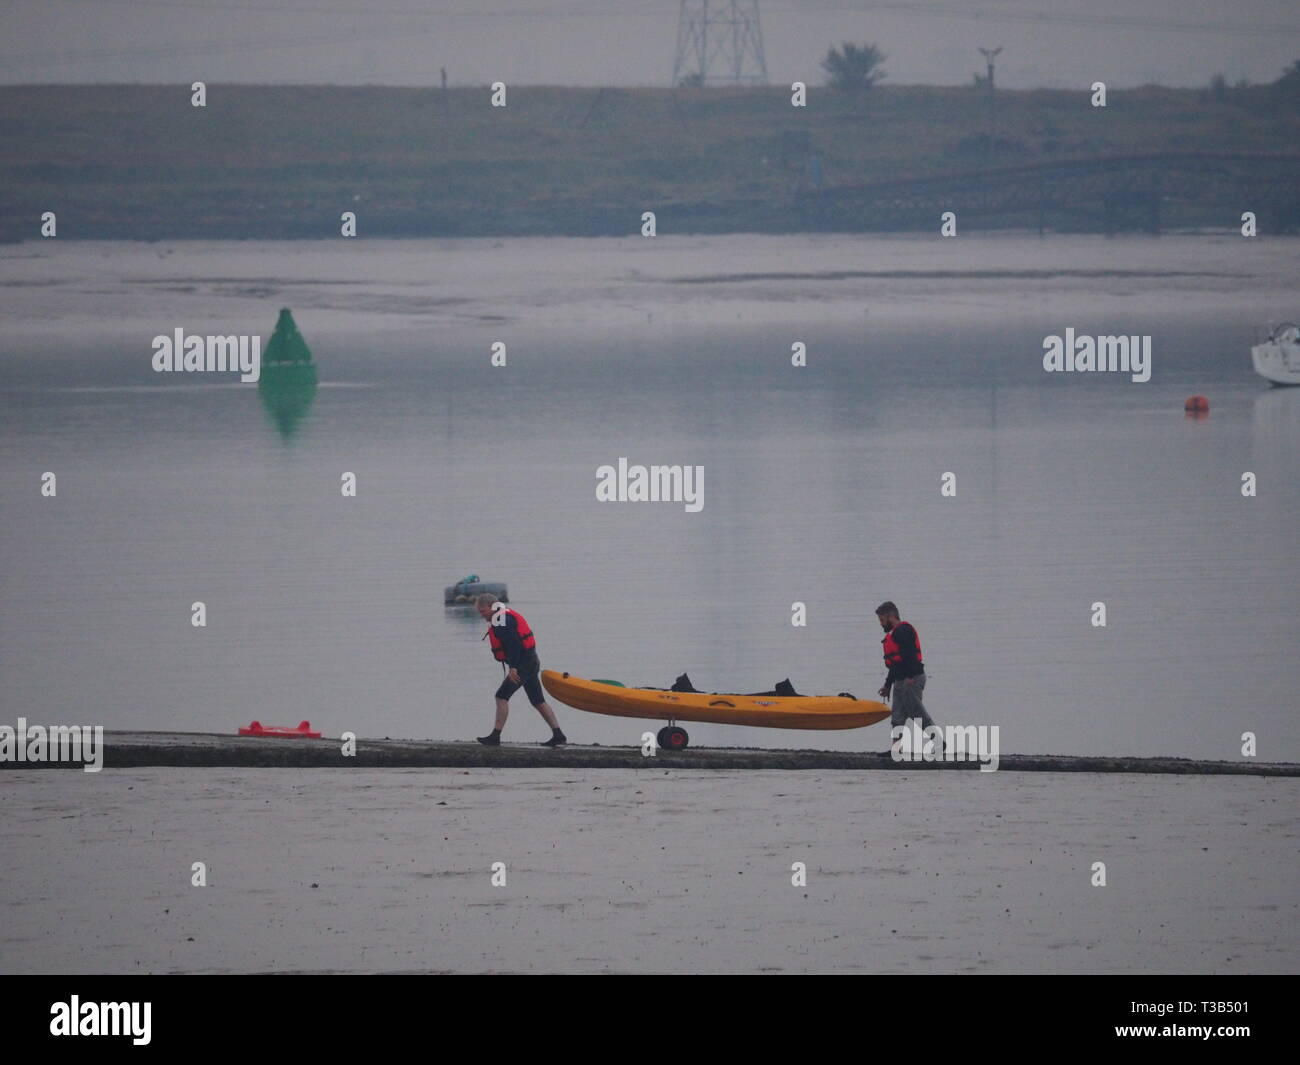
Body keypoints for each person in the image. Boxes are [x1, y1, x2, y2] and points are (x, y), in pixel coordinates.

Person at [475, 593, 567, 747]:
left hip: (522, 664)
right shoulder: (504, 616)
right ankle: (558, 735)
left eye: (483, 611)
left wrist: (513, 667)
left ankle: (495, 736)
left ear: (492, 607)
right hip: (531, 661)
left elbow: (514, 645)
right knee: (538, 701)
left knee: (501, 696)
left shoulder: (501, 621)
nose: (482, 615)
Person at [875, 601, 941, 755]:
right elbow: (895, 665)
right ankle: (896, 750)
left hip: (912, 679)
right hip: (900, 681)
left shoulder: (903, 631)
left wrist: (910, 677)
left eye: (882, 620)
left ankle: (939, 743)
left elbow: (910, 655)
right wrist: (887, 686)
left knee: (917, 713)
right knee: (897, 716)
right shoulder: (893, 634)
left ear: (891, 616)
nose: (881, 624)